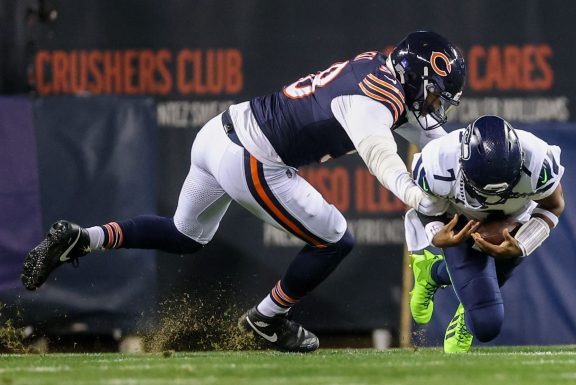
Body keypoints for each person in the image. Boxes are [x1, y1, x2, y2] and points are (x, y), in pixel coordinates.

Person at [21, 30, 466, 353]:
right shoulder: (375, 100)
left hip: (220, 131)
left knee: (184, 235)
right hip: (254, 157)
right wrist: (420, 198)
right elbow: (384, 161)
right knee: (335, 238)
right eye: (433, 96)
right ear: (413, 78)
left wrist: (472, 158)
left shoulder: (382, 70)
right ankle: (267, 319)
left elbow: (432, 138)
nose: (433, 107)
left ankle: (84, 238)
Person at [404, 115, 565, 353]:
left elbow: (553, 206)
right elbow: (427, 209)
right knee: (486, 324)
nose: (491, 200)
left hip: (512, 224)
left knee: (485, 289)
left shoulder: (537, 160)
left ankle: (437, 276)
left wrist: (522, 244)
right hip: (461, 223)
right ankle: (431, 273)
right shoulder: (438, 161)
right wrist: (437, 235)